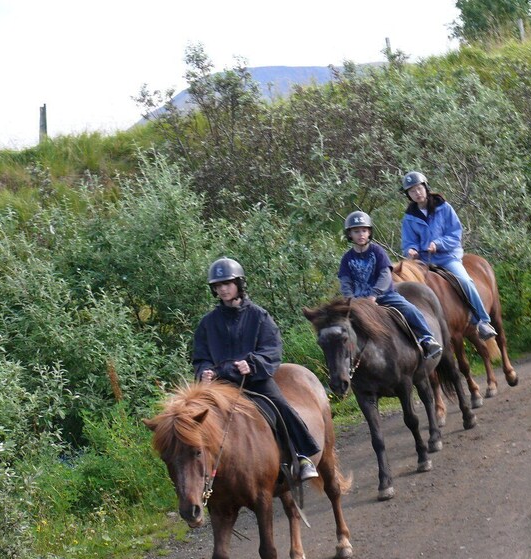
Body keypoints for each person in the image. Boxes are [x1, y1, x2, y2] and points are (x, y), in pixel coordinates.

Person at [193, 257, 320, 481]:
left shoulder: (259, 316)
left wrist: (251, 364)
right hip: (220, 386)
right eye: (218, 286)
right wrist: (204, 371)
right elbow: (200, 357)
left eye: (227, 283)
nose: (223, 289)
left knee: (280, 405)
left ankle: (303, 455)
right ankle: (203, 473)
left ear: (239, 284)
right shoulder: (207, 323)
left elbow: (272, 349)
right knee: (193, 419)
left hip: (254, 380)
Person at [400, 171, 498, 341]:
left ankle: (482, 320)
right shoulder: (409, 218)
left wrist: (437, 244)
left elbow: (455, 234)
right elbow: (408, 241)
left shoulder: (444, 208)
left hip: (447, 257)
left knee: (465, 280)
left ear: (425, 187)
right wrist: (411, 250)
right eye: (412, 191)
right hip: (423, 262)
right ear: (408, 195)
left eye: (419, 188)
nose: (417, 193)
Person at [338, 211, 443, 360]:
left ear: (369, 232)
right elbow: (345, 281)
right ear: (350, 234)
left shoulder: (377, 251)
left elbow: (385, 275)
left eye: (364, 230)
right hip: (358, 302)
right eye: (356, 231)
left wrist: (374, 294)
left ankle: (427, 339)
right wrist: (350, 299)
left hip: (384, 296)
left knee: (410, 309)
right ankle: (345, 359)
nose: (361, 234)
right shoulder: (347, 258)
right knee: (338, 326)